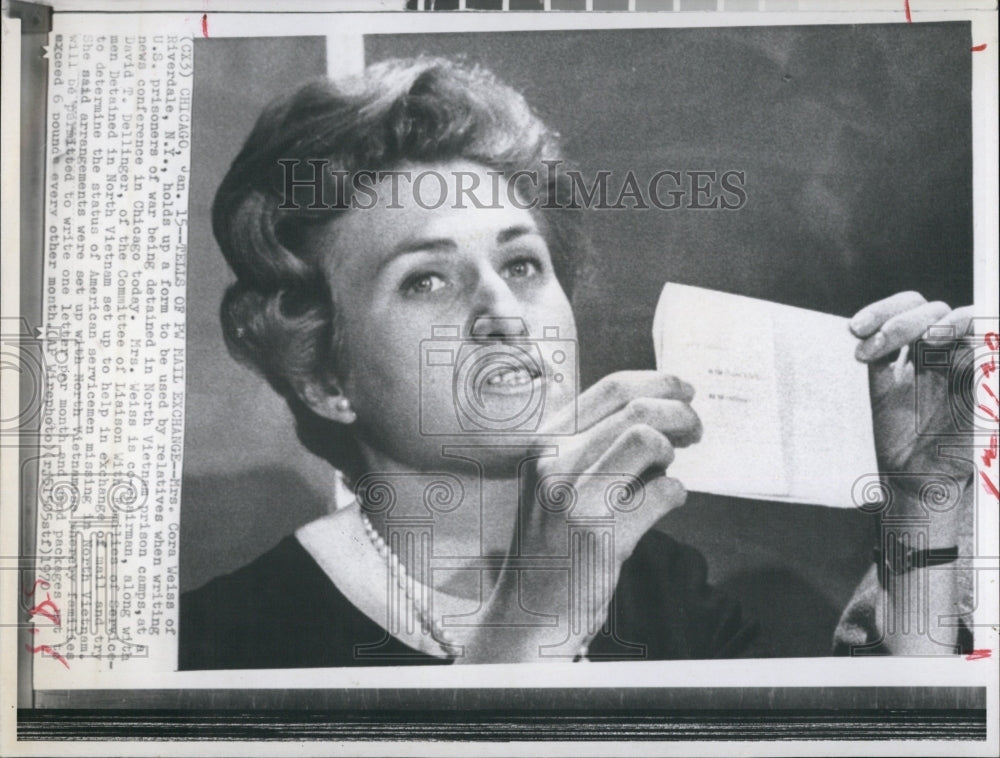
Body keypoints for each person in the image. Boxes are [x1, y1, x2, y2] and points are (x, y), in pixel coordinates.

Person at [179, 56, 974, 669]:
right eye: (426, 279)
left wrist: (923, 502)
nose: (501, 312)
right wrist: (534, 620)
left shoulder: (662, 584)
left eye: (522, 265)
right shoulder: (227, 637)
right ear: (325, 376)